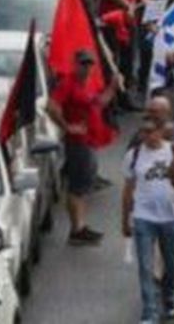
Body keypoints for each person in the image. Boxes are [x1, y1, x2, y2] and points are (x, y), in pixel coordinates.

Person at [123, 114, 174, 324]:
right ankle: (149, 310)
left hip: (171, 216)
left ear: (162, 131)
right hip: (144, 217)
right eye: (144, 131)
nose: (147, 136)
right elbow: (128, 188)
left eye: (151, 131)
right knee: (145, 266)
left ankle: (168, 297)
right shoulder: (134, 155)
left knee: (171, 263)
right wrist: (125, 218)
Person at [48, 48, 116, 245]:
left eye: (90, 64)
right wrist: (67, 127)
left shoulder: (88, 84)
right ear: (75, 64)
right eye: (83, 64)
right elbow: (52, 106)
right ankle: (76, 229)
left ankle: (80, 226)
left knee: (85, 184)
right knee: (78, 186)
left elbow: (99, 103)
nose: (87, 68)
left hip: (90, 140)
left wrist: (112, 87)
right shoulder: (68, 84)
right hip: (78, 142)